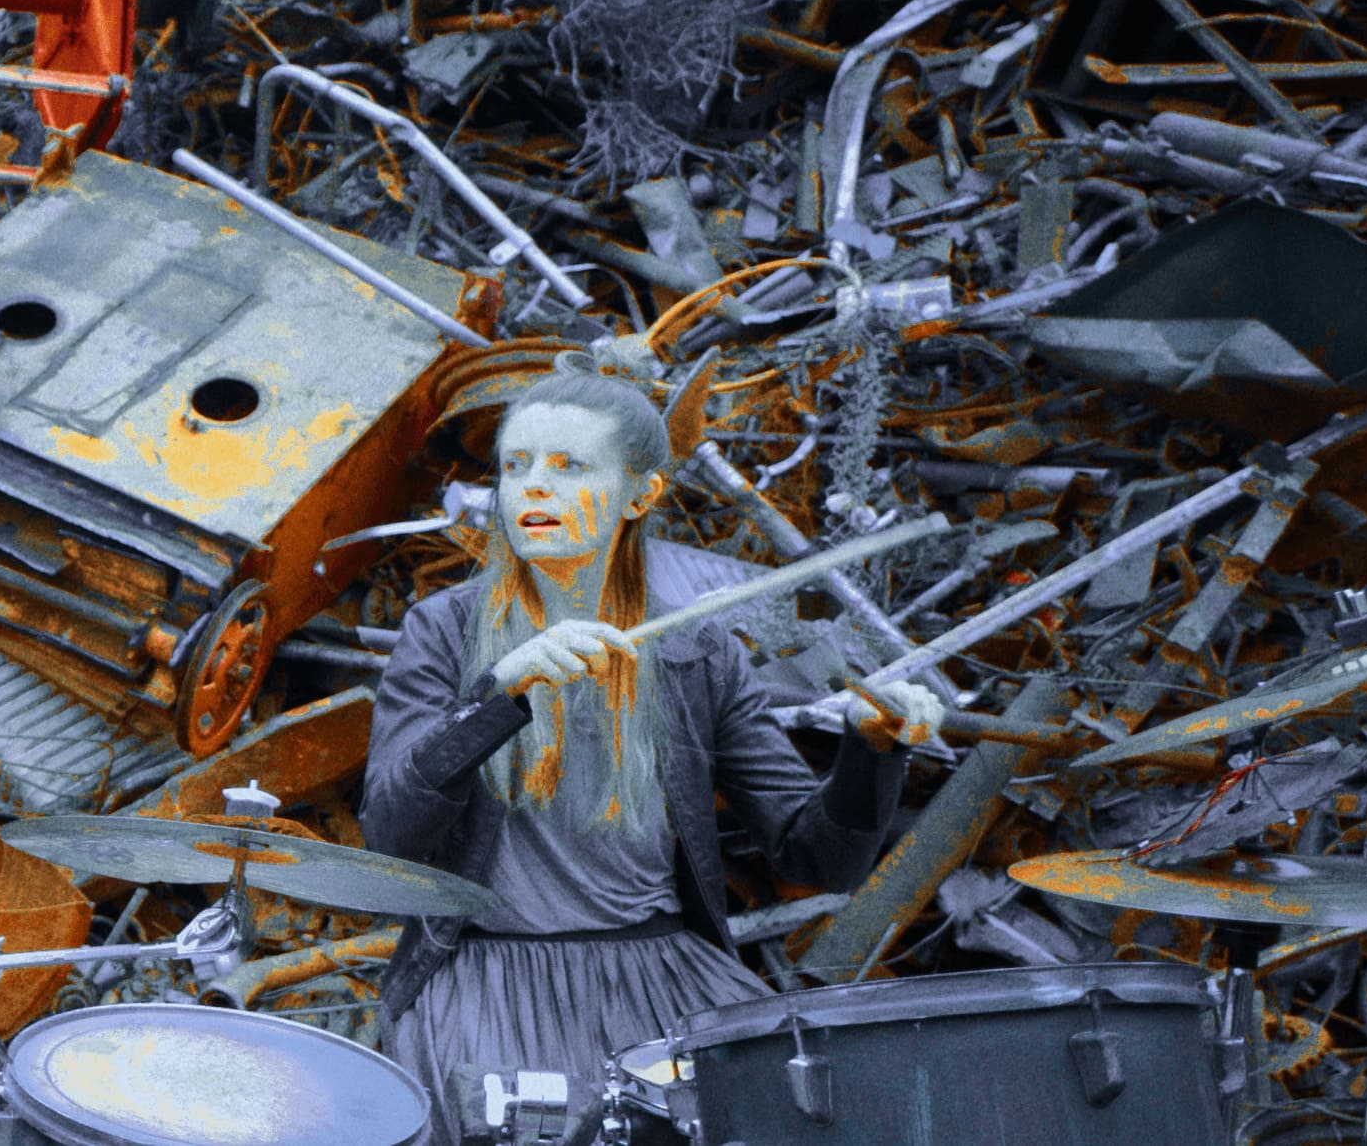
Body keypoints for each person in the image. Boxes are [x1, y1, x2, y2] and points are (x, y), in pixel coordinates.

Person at [362, 359, 946, 1146]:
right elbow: (390, 834)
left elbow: (817, 856)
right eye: (515, 465)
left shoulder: (696, 652)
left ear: (641, 495)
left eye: (570, 466)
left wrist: (871, 750)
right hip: (487, 977)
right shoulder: (442, 631)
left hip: (661, 978)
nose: (533, 488)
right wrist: (498, 692)